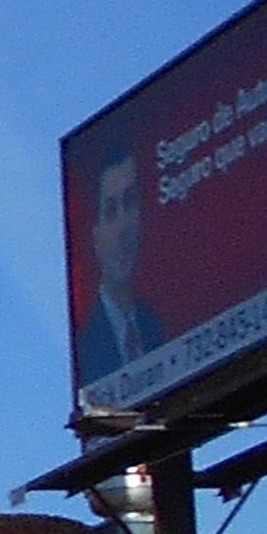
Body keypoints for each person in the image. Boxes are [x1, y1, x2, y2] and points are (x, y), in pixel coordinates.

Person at [73, 137, 169, 387]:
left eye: (130, 202)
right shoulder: (85, 349)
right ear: (95, 233)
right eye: (110, 210)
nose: (123, 227)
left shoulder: (156, 328)